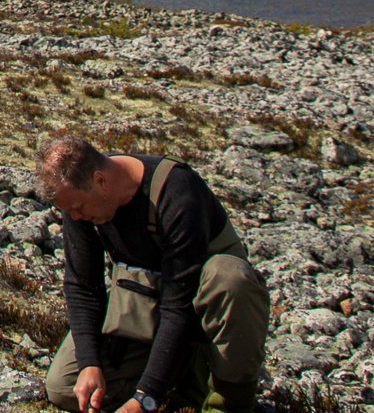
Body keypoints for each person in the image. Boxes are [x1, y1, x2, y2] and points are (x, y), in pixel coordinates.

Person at [34, 135, 269, 413]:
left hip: (197, 312)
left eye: (77, 208)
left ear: (100, 181)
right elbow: (83, 287)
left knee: (230, 277)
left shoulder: (178, 192)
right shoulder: (82, 202)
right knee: (64, 387)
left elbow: (178, 303)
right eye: (68, 211)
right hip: (148, 314)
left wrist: (146, 397)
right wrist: (89, 365)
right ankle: (184, 380)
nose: (74, 217)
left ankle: (224, 399)